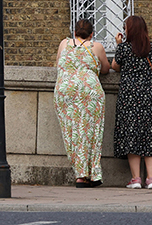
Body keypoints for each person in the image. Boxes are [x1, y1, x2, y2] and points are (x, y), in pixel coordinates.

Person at [53, 19, 110, 187]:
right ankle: (92, 174)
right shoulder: (96, 47)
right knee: (92, 133)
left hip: (66, 91)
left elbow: (58, 64)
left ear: (74, 32)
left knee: (71, 132)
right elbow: (105, 68)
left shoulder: (64, 43)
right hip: (90, 92)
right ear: (91, 34)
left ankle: (80, 174)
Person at [111, 15, 152, 189]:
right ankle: (151, 179)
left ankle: (136, 179)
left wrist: (118, 45)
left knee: (132, 134)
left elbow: (115, 66)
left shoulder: (124, 48)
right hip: (149, 94)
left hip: (129, 95)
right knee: (150, 134)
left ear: (129, 30)